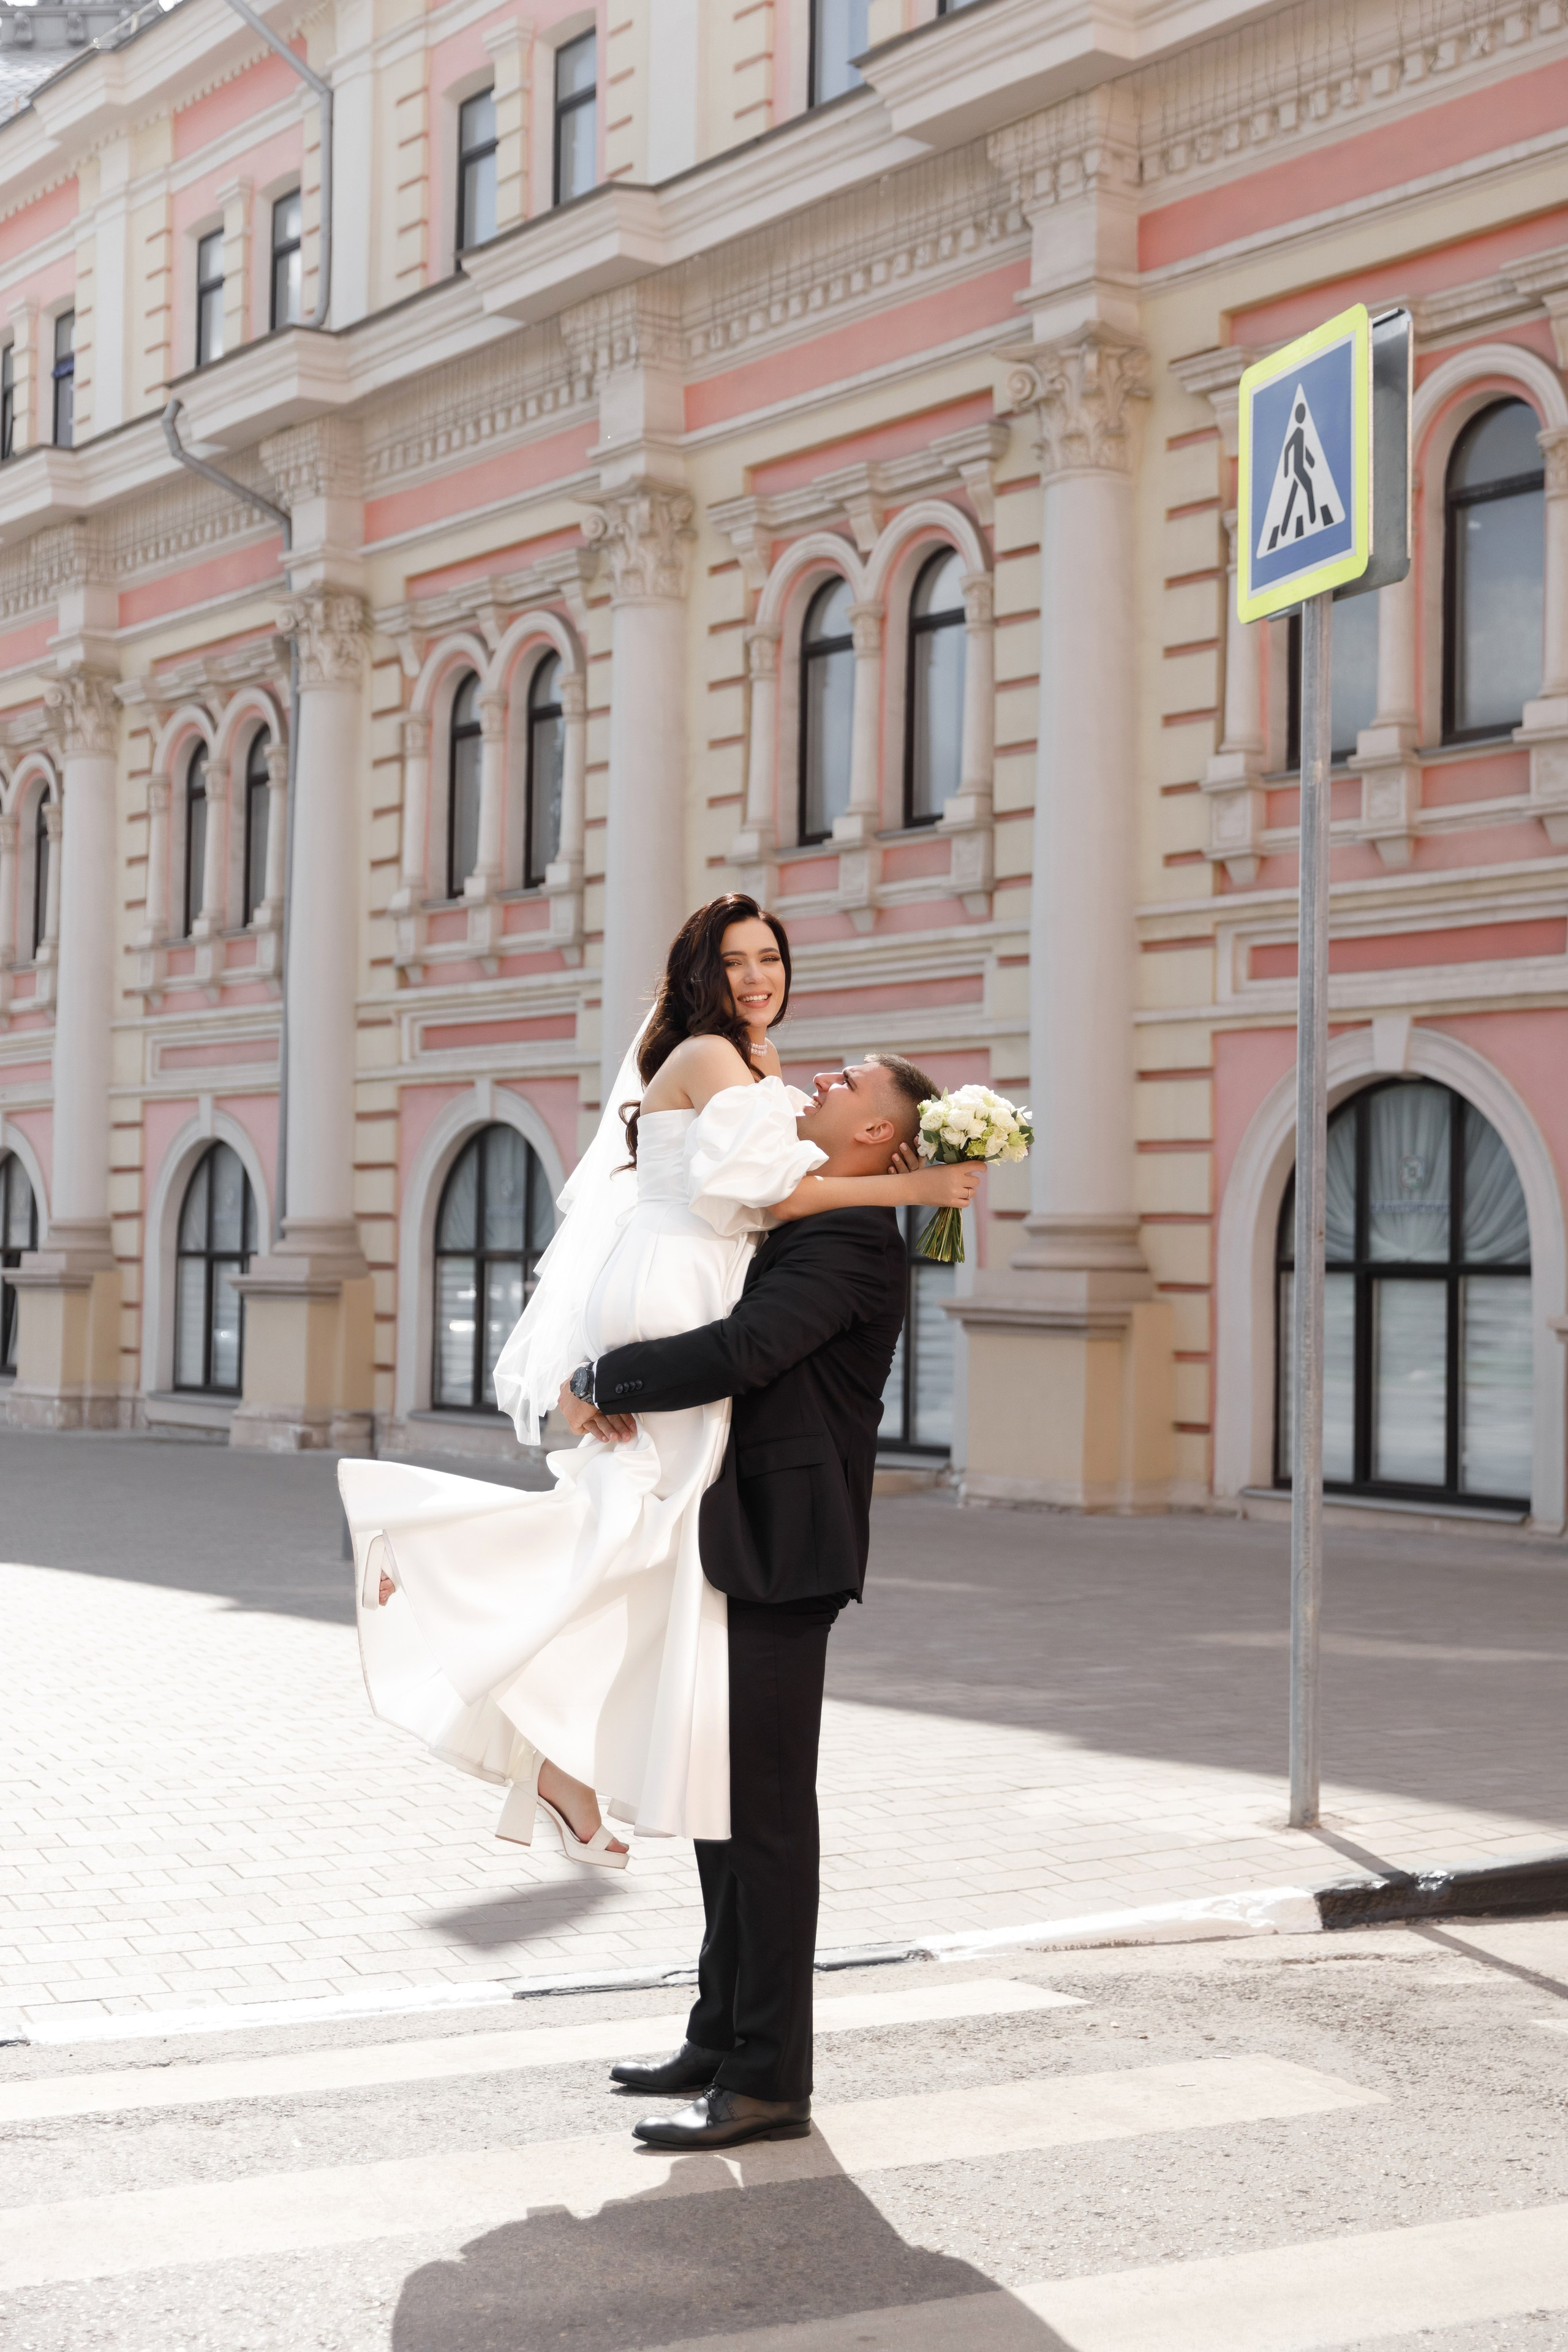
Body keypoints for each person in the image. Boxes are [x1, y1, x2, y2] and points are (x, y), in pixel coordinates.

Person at [339, 895, 978, 1869]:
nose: (758, 977)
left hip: (688, 1275)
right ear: (701, 976)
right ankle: (430, 1558)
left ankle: (551, 1752)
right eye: (736, 962)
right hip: (673, 1280)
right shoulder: (716, 1057)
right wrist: (912, 1188)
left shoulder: (756, 1064)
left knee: (649, 1525)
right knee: (640, 1511)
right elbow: (766, 1193)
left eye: (771, 957)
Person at [554, 1047, 941, 2152]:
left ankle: (772, 2079)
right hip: (733, 1538)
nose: (825, 1081)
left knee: (766, 1821)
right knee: (724, 1815)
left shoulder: (851, 1237)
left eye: (851, 1083)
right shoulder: (801, 1212)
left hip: (783, 1550)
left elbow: (749, 1347)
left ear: (881, 1135)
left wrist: (603, 1382)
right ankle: (720, 2032)